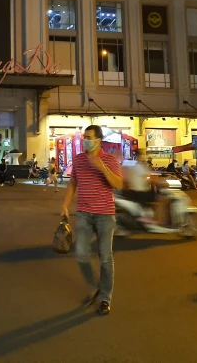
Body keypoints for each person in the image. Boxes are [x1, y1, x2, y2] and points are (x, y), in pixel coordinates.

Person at [62, 124, 122, 316]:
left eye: (89, 137)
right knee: (80, 253)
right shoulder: (79, 160)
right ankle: (95, 286)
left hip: (105, 215)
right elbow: (73, 182)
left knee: (105, 257)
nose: (85, 140)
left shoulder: (110, 160)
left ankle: (105, 298)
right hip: (84, 214)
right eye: (84, 137)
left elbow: (118, 184)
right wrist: (65, 204)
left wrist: (102, 167)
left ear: (98, 140)